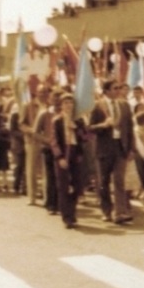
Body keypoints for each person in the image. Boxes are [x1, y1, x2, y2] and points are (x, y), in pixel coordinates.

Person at [89, 80, 134, 225]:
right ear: (106, 91)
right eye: (115, 88)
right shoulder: (98, 106)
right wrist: (103, 125)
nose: (118, 90)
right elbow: (90, 128)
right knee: (103, 181)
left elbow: (130, 128)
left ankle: (120, 212)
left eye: (119, 88)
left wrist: (131, 148)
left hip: (120, 147)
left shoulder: (124, 105)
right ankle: (106, 210)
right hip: (104, 148)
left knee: (119, 180)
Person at [51, 93, 87, 229]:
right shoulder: (57, 120)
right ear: (61, 105)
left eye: (71, 103)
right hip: (63, 153)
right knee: (63, 186)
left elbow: (85, 138)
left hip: (74, 153)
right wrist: (59, 157)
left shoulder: (78, 120)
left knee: (78, 186)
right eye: (66, 103)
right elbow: (53, 141)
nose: (68, 105)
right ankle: (67, 217)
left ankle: (72, 211)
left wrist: (76, 129)